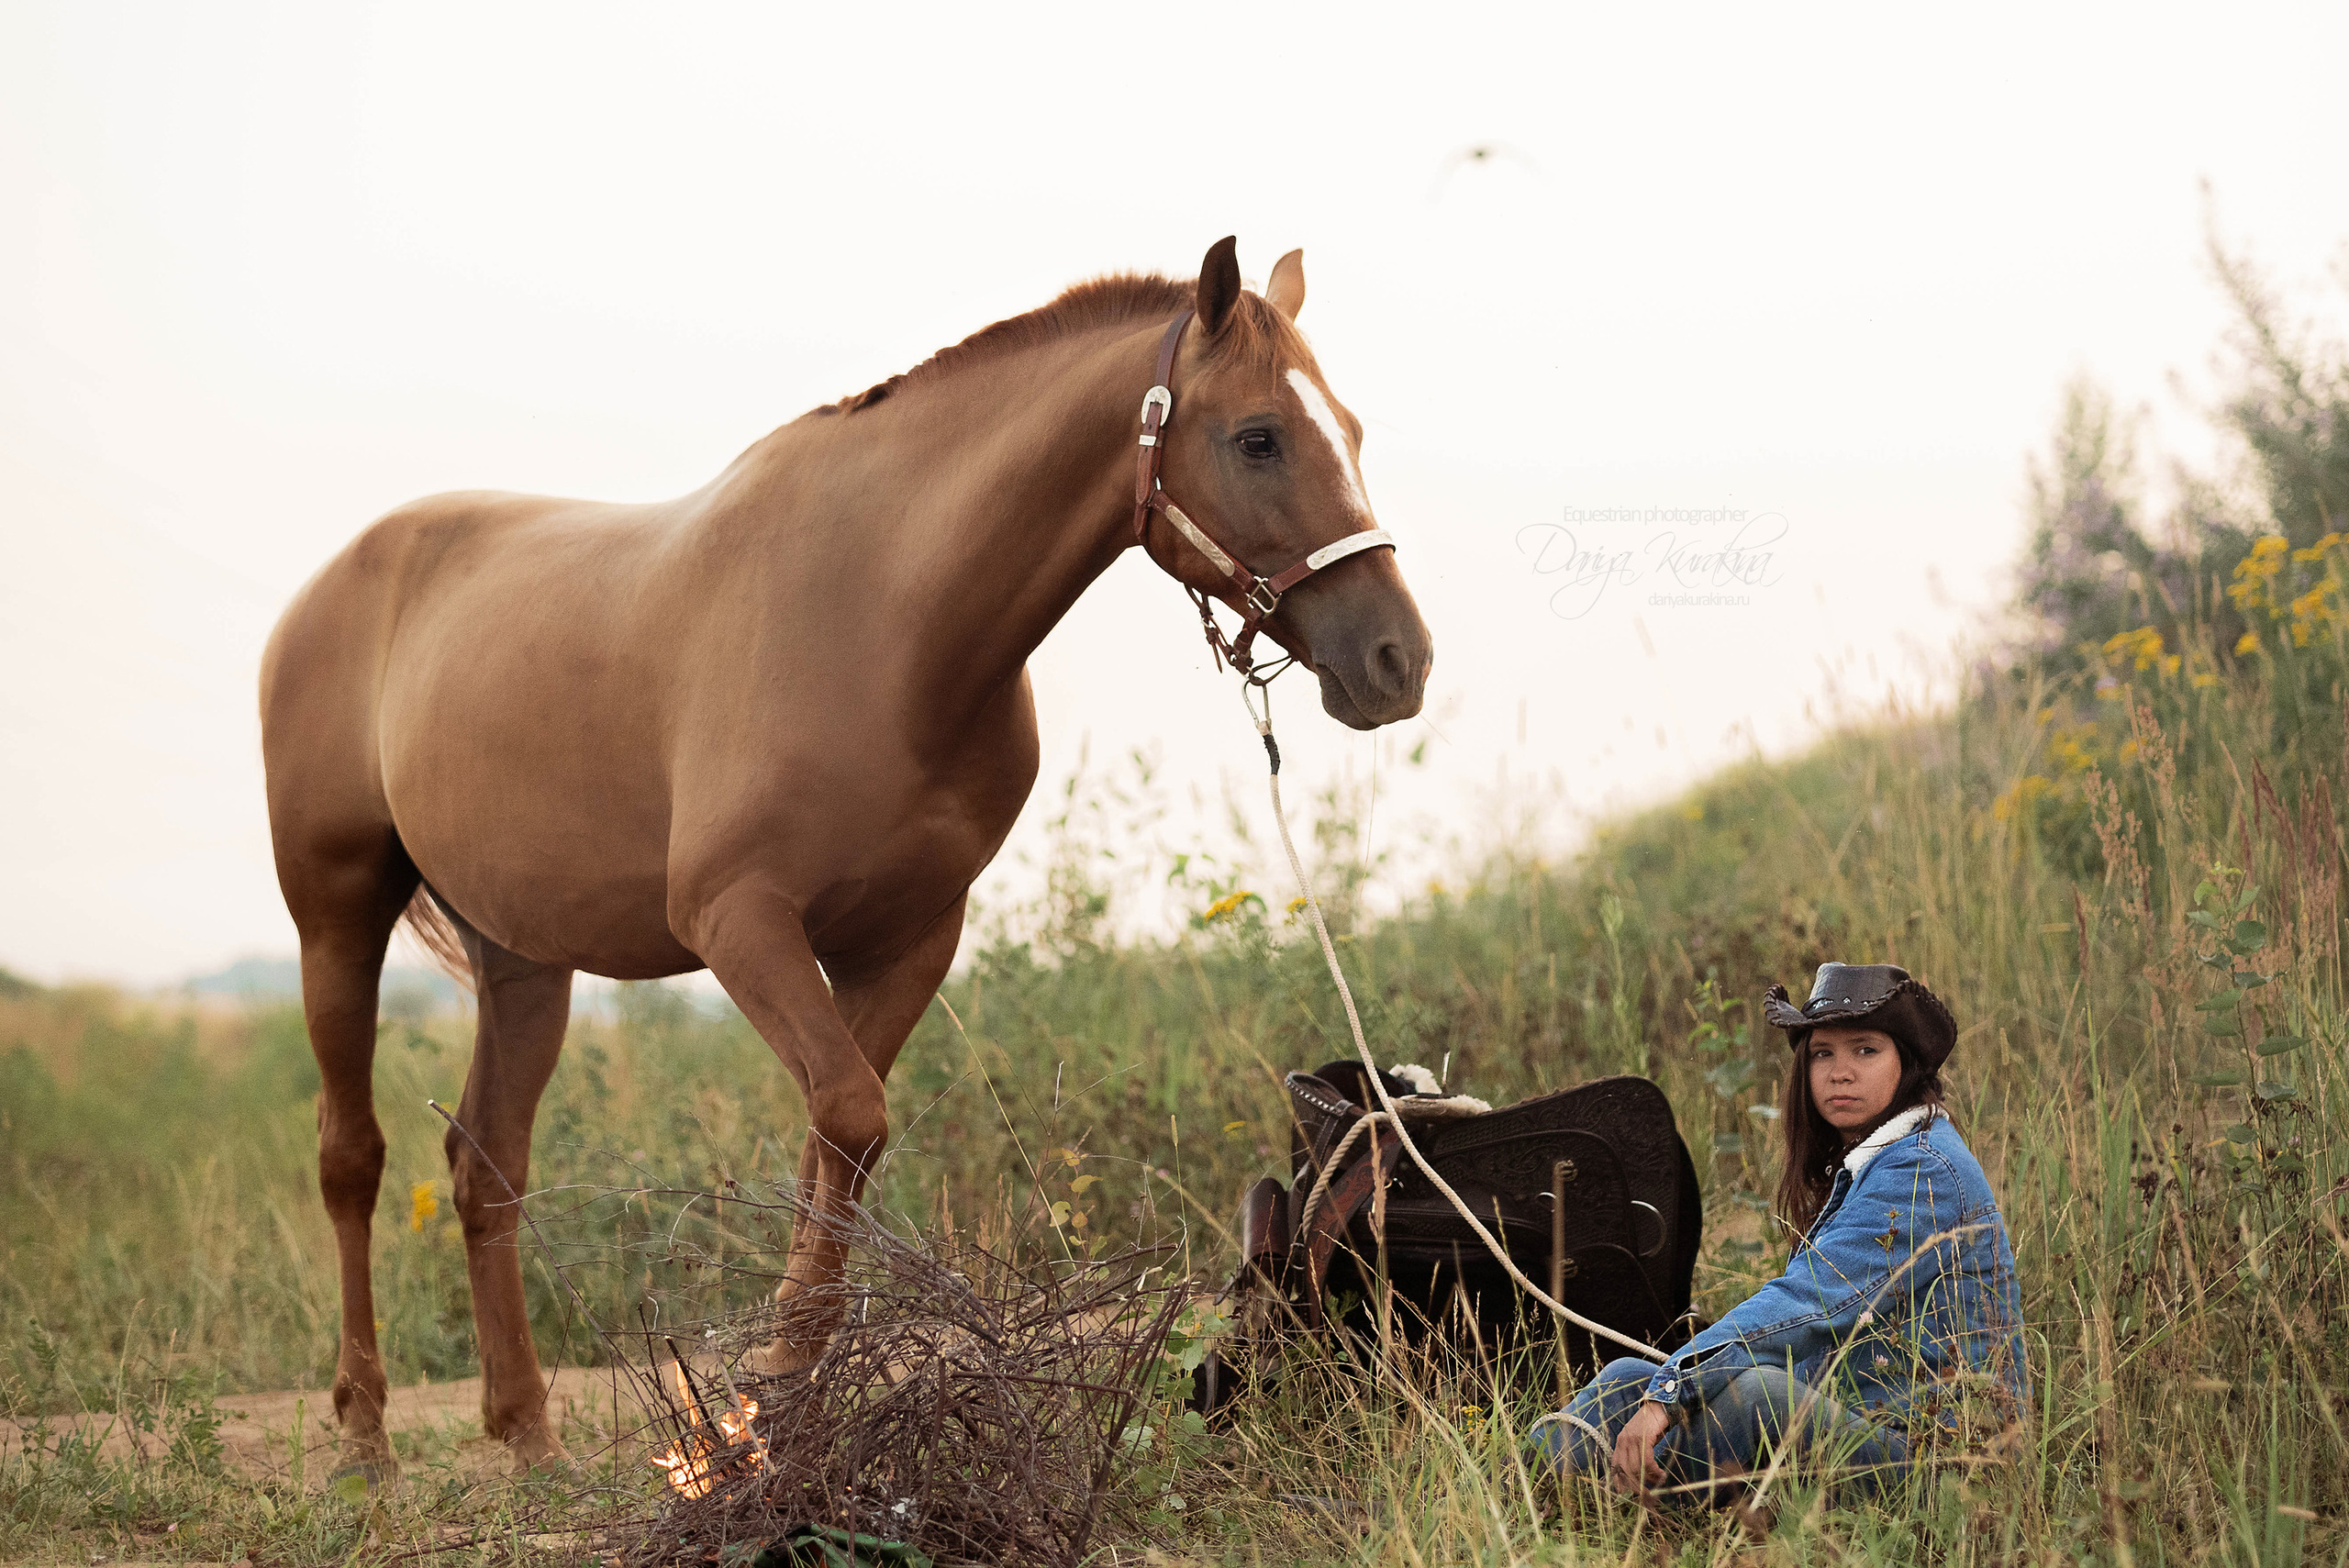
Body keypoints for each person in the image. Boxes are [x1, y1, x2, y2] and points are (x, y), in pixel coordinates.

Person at [1533, 962, 2027, 1505]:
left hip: (1945, 1463)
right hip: (1866, 1425)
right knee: (1632, 1373)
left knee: (1752, 1394)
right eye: (1823, 1053)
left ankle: (1606, 1501)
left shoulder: (1924, 1170)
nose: (1840, 1072)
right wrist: (1667, 1385)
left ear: (1905, 1064)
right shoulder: (1879, 1160)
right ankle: (1525, 1485)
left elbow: (1806, 1306)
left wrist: (1669, 1396)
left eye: (1865, 1050)